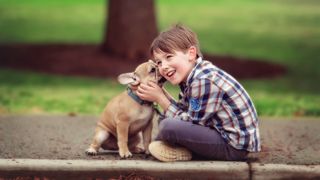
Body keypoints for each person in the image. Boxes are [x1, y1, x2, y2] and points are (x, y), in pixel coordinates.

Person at [136, 24, 261, 162]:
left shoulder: (203, 81)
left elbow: (193, 123)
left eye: (169, 57)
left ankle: (184, 153)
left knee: (168, 126)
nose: (163, 67)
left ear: (191, 53)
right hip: (220, 135)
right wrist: (162, 94)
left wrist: (160, 99)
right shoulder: (192, 77)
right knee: (166, 121)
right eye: (159, 62)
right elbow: (185, 112)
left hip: (233, 147)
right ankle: (169, 146)